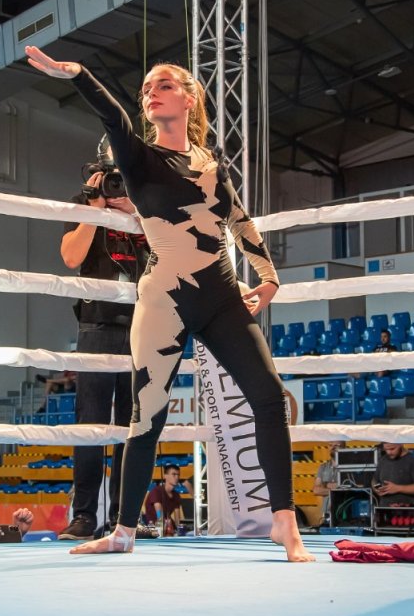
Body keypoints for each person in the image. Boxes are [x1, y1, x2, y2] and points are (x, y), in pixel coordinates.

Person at [26, 44, 310, 560]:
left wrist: (269, 278)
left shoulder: (213, 163)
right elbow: (112, 115)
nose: (151, 94)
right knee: (147, 416)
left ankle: (284, 523)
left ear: (189, 97)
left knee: (269, 397)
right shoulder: (138, 156)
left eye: (164, 85)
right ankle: (123, 532)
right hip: (165, 298)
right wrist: (79, 73)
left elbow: (239, 219)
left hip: (221, 294)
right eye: (146, 89)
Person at [59, 140, 150, 540]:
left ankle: (124, 517)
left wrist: (136, 213)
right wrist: (96, 211)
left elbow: (172, 250)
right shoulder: (82, 202)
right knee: (91, 424)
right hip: (96, 322)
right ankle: (84, 516)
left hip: (144, 323)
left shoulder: (147, 204)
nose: (117, 183)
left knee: (135, 424)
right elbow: (71, 257)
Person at [373, 442, 414, 509]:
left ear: (400, 444)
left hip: (407, 511)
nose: (388, 452)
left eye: (392, 449)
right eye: (386, 449)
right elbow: (374, 480)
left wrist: (397, 488)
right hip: (384, 509)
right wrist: (377, 489)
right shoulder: (383, 460)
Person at [142, 465, 186, 535]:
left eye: (178, 475)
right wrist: (163, 526)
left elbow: (177, 518)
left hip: (168, 526)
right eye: (174, 474)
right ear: (165, 476)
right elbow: (159, 514)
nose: (177, 477)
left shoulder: (176, 495)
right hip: (153, 527)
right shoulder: (156, 491)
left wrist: (178, 530)